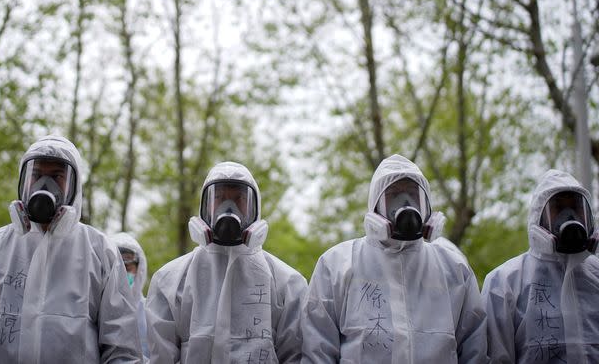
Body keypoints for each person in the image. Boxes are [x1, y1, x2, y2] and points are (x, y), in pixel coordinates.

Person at [0, 135, 142, 363]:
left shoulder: (100, 252)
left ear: (74, 186)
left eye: (57, 176)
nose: (44, 185)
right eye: (37, 175)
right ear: (24, 181)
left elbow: (121, 349)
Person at [301, 154, 487, 363]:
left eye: (412, 195)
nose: (405, 204)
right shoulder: (336, 265)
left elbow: (474, 350)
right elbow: (318, 351)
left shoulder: (453, 268)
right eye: (394, 195)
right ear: (376, 205)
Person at [146, 161, 308, 363]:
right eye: (219, 198)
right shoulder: (170, 280)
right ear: (205, 207)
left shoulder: (287, 283)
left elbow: (295, 356)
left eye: (239, 199)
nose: (228, 208)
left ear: (254, 207)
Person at [481, 169, 599, 363]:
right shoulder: (504, 282)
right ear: (539, 216)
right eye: (558, 208)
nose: (569, 216)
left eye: (575, 208)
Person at [111, 232, 150, 360]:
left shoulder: (150, 312)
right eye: (117, 269)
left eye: (127, 267)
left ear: (139, 269)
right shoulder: (95, 310)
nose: (122, 274)